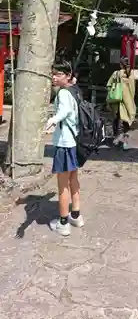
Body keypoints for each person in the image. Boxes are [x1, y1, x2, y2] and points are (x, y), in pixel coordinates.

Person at [46, 60, 84, 236]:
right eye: (53, 73)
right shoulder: (74, 89)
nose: (54, 77)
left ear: (68, 76)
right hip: (76, 142)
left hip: (65, 144)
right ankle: (75, 216)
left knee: (62, 185)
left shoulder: (63, 93)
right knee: (73, 179)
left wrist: (53, 119)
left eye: (59, 74)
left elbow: (64, 111)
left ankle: (63, 223)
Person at [107, 56, 136, 150]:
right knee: (126, 121)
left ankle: (118, 138)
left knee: (118, 119)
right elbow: (133, 88)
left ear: (120, 64)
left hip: (117, 102)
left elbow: (109, 85)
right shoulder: (131, 74)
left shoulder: (116, 74)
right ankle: (124, 141)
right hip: (128, 102)